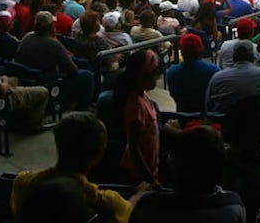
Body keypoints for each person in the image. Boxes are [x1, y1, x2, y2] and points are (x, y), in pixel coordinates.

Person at [12, 112, 144, 223]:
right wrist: (140, 193)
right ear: (99, 155)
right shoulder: (105, 202)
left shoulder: (23, 182)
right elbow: (128, 211)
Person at [130, 125, 246, 223]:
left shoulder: (148, 206)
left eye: (173, 156)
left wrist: (137, 197)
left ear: (178, 165)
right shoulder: (234, 207)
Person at [116, 50, 162, 185]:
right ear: (141, 76)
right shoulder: (135, 106)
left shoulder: (143, 94)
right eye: (154, 74)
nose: (157, 77)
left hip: (150, 164)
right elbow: (134, 149)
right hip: (138, 174)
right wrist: (150, 180)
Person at [206, 42, 260, 115]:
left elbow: (208, 108)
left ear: (233, 57)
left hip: (225, 125)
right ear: (252, 57)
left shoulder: (217, 78)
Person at [166, 33, 219, 114]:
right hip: (208, 119)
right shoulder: (214, 71)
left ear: (182, 53)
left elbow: (173, 95)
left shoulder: (172, 72)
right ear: (201, 50)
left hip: (183, 118)